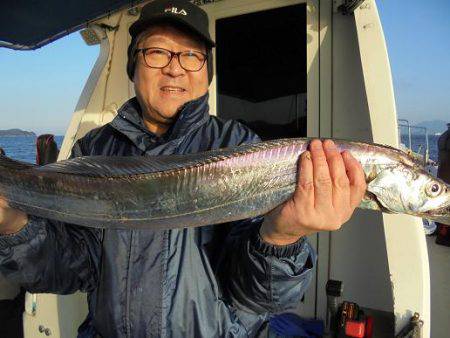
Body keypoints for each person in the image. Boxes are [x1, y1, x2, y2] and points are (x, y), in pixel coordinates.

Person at [0, 0, 366, 337]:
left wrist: (282, 238)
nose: (175, 68)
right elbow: (72, 268)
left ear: (205, 72)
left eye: (192, 55)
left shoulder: (240, 148)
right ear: (133, 65)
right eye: (157, 52)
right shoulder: (93, 149)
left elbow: (265, 300)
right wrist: (11, 226)